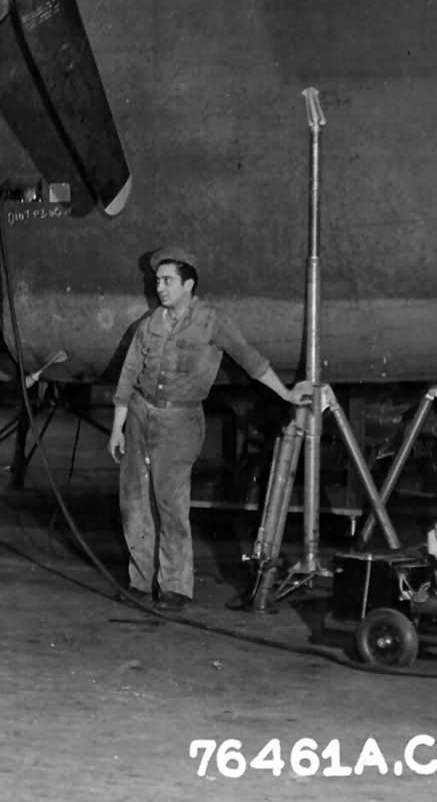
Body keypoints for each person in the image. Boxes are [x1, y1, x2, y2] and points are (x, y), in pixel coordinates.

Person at [108, 245, 308, 611]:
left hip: (180, 421)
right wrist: (117, 427)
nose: (160, 288)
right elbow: (128, 374)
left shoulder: (212, 321)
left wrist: (287, 394)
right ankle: (139, 582)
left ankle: (175, 587)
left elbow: (251, 361)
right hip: (139, 415)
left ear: (188, 284)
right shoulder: (149, 323)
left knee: (170, 503)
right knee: (134, 503)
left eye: (167, 281)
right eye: (157, 281)